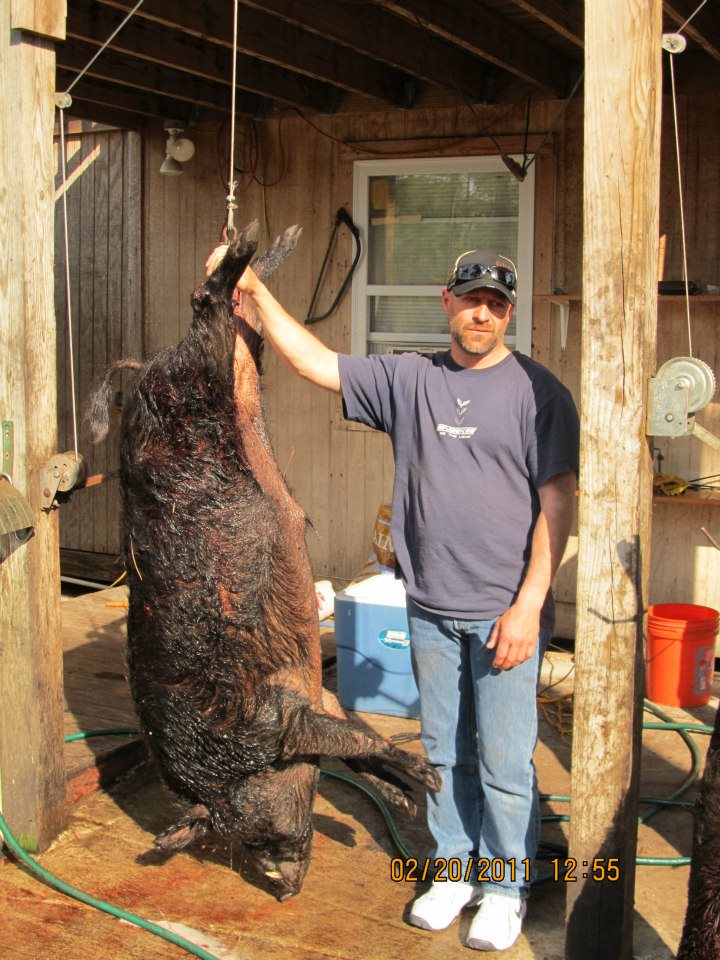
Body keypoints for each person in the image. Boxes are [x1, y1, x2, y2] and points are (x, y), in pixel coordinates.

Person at [207, 243, 579, 952]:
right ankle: (454, 871)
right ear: (447, 301)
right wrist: (252, 289)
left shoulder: (540, 393)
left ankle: (505, 887)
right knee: (441, 751)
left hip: (507, 614)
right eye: (470, 299)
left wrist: (531, 603)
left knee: (503, 761)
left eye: (496, 303)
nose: (482, 313)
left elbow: (557, 501)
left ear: (509, 312)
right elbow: (317, 363)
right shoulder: (410, 379)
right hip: (431, 606)